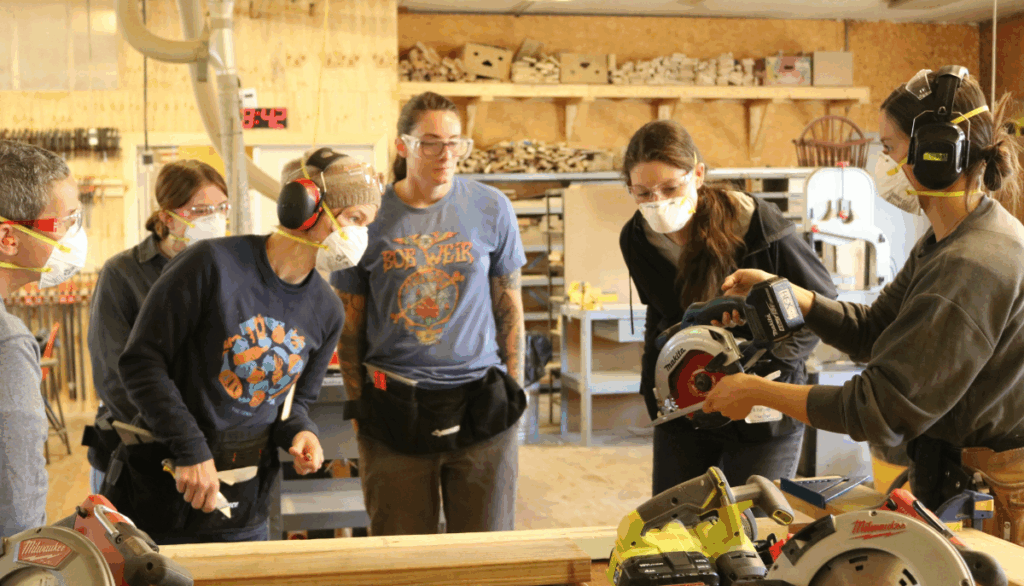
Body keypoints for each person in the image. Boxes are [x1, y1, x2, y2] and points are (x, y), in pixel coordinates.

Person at [702, 67, 1024, 545]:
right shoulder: (955, 237)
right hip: (953, 469)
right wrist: (796, 296)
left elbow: (879, 408)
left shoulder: (972, 266)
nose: (884, 163)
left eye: (890, 148)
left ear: (936, 155)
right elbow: (874, 330)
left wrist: (758, 392)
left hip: (993, 495)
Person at [107, 147, 381, 544]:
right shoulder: (211, 264)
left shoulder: (327, 309)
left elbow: (295, 403)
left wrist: (302, 433)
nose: (360, 235)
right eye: (353, 218)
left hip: (246, 502)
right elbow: (141, 362)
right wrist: (191, 449)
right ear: (307, 207)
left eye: (367, 224)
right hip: (167, 486)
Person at [333, 91, 527, 536]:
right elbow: (351, 322)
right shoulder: (370, 217)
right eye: (431, 143)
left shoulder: (491, 207)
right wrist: (359, 407)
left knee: (486, 553)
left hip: (482, 405)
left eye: (456, 142)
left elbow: (508, 303)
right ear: (402, 145)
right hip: (394, 407)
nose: (447, 155)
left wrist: (513, 390)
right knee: (403, 557)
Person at [618, 119, 838, 496]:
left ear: (698, 175)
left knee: (750, 530)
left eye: (670, 188)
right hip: (688, 396)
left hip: (763, 403)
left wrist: (768, 370)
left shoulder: (756, 224)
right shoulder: (637, 238)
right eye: (643, 193)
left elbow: (821, 307)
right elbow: (660, 314)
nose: (658, 203)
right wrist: (652, 386)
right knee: (676, 526)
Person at [83, 160, 229, 495]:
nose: (215, 219)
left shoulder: (223, 268)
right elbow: (114, 375)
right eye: (201, 210)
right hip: (140, 448)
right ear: (166, 217)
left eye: (222, 208)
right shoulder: (123, 274)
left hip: (205, 450)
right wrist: (178, 436)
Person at [0, 140, 86, 536]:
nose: (74, 233)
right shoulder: (8, 343)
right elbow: (16, 510)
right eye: (66, 220)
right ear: (9, 239)